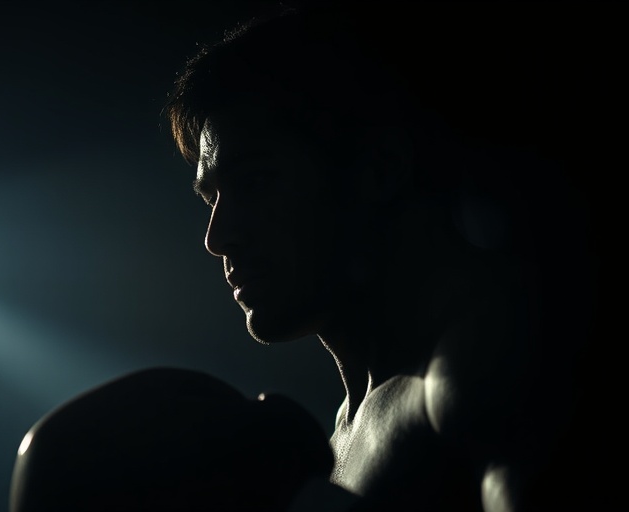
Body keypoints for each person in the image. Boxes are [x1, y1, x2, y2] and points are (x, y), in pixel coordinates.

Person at [162, 4, 603, 511]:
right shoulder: (346, 430)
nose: (217, 238)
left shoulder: (488, 363)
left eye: (255, 182)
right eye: (210, 197)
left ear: (379, 169)